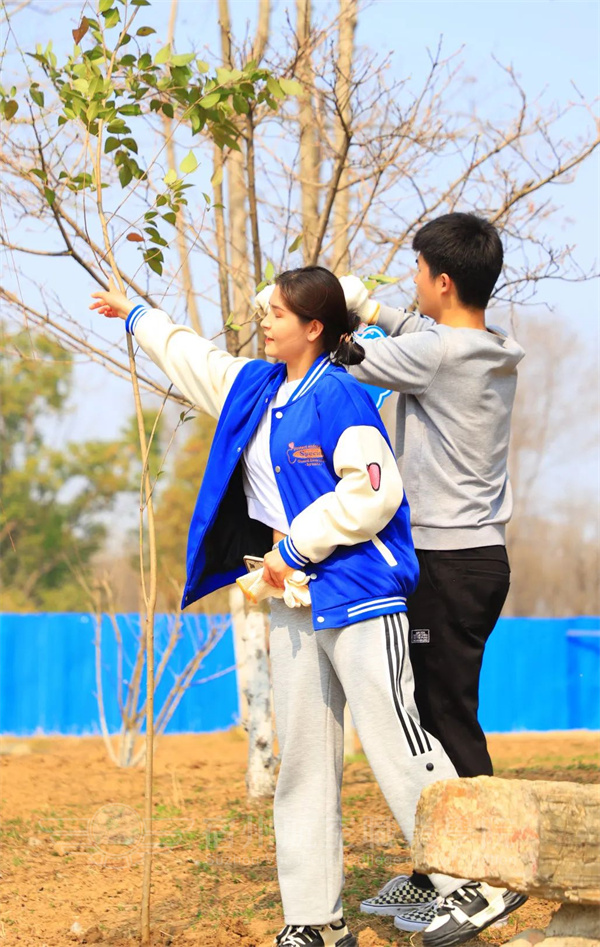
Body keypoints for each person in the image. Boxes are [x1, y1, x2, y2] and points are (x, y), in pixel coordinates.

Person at [91, 265, 525, 947]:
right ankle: (315, 917)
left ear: (314, 327)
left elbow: (375, 491)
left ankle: (479, 875)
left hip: (359, 593)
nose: (264, 322)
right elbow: (194, 359)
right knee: (303, 761)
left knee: (398, 743)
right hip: (294, 602)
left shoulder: (340, 395)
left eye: (277, 314)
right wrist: (136, 315)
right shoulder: (259, 388)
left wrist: (298, 546)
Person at [336, 213, 525, 933]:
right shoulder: (485, 344)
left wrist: (331, 308)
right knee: (430, 714)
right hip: (474, 556)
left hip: (446, 560)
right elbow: (416, 334)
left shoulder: (435, 354)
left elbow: (350, 357)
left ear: (442, 282)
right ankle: (436, 868)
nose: (409, 282)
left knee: (444, 719)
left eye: (416, 271)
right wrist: (379, 307)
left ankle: (488, 876)